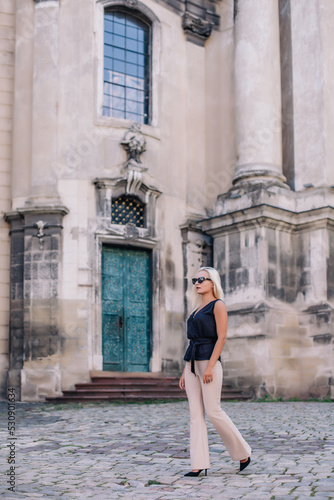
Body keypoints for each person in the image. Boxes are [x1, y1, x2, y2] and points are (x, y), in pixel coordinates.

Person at [179, 266, 251, 476]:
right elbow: (192, 341)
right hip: (191, 363)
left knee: (213, 411)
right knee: (195, 414)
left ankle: (243, 452)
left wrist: (210, 365)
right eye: (195, 279)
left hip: (209, 362)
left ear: (213, 283)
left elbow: (221, 337)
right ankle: (198, 464)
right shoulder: (196, 310)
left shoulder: (218, 305)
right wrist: (185, 370)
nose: (198, 282)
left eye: (203, 279)